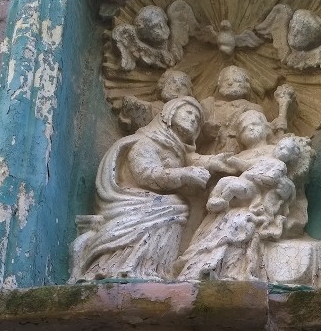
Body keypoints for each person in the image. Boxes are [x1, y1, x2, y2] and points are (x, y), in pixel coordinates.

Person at [70, 97, 223, 281]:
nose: (192, 119)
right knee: (174, 206)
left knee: (180, 205)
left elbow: (196, 165)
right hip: (130, 199)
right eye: (188, 113)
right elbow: (145, 174)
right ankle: (123, 265)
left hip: (152, 199)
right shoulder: (147, 141)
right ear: (170, 114)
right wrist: (184, 174)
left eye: (197, 119)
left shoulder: (176, 149)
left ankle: (155, 268)